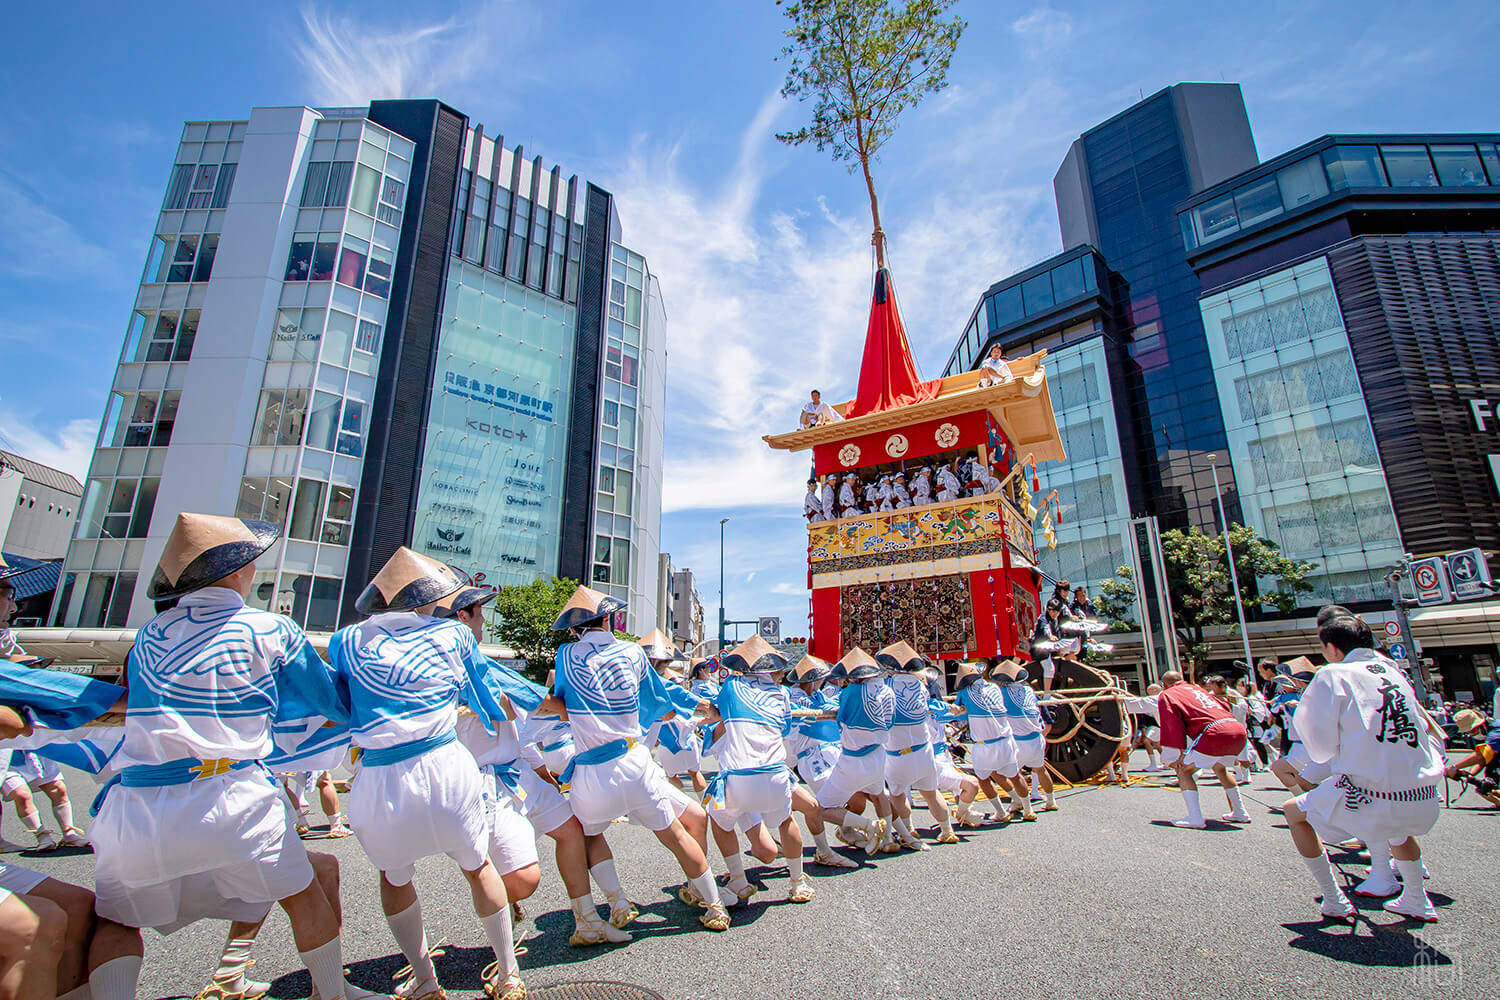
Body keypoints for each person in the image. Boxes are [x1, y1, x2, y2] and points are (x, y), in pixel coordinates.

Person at [89, 512, 376, 1000]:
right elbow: (328, 698)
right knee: (303, 892)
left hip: (137, 801)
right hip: (230, 792)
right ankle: (333, 992)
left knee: (118, 921)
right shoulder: (270, 628)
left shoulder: (150, 636)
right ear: (238, 571)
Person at [331, 546, 527, 1000]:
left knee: (395, 877)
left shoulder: (346, 640)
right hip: (445, 766)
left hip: (379, 776)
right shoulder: (453, 637)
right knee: (478, 866)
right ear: (426, 599)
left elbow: (337, 704)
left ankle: (423, 979)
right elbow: (483, 690)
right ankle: (507, 972)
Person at [442, 584, 636, 951]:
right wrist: (592, 711)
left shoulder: (483, 665)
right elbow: (544, 703)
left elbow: (536, 702)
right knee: (522, 881)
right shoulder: (444, 670)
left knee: (573, 830)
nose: (484, 618)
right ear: (461, 617)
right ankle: (493, 898)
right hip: (479, 785)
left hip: (517, 772)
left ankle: (588, 921)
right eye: (478, 612)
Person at [539, 585, 731, 932]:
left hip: (592, 770)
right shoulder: (631, 653)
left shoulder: (566, 655)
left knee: (589, 835)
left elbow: (564, 702)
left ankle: (618, 901)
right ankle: (715, 906)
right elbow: (659, 701)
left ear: (574, 629)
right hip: (634, 762)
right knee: (675, 833)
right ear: (609, 620)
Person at [1283, 616, 1445, 923]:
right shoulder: (1393, 671)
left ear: (1330, 648)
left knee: (1293, 812)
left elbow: (1320, 746)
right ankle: (1416, 898)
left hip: (1371, 795)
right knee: (1396, 829)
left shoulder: (1334, 673)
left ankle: (1334, 900)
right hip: (1424, 796)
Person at [698, 636, 815, 904]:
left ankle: (738, 879)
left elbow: (720, 713)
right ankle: (797, 882)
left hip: (739, 779)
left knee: (718, 821)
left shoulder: (731, 686)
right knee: (786, 821)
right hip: (775, 774)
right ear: (771, 669)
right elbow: (784, 729)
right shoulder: (782, 693)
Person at [812, 648, 893, 854]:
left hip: (853, 758)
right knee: (878, 795)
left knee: (820, 808)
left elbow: (842, 719)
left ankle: (868, 826)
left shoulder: (851, 691)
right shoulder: (887, 690)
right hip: (878, 752)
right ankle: (888, 837)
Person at [876, 642, 957, 847]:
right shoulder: (921, 685)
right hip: (923, 748)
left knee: (897, 794)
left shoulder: (885, 687)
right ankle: (947, 829)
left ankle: (908, 829)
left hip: (897, 751)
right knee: (931, 793)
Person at [1156, 669, 1252, 828]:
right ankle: (1240, 812)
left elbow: (1172, 724)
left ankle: (1195, 818)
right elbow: (1225, 706)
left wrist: (1178, 753)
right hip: (1236, 728)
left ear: (1164, 684)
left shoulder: (1168, 694)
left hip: (1214, 732)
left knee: (1184, 771)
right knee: (1220, 768)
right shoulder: (1198, 689)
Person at [951, 662, 1030, 821]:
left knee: (983, 779)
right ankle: (1028, 809)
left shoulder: (965, 693)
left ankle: (1000, 812)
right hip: (1006, 741)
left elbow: (955, 710)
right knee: (1014, 775)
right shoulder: (995, 688)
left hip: (985, 745)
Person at [994, 659, 1057, 816]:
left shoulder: (1001, 693)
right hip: (1036, 738)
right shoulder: (1029, 691)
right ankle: (1051, 801)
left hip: (1018, 741)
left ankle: (1023, 805)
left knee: (1005, 773)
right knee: (1040, 769)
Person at [2, 751, 87, 850]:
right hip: (6, 758)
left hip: (34, 751)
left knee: (58, 788)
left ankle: (69, 834)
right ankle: (43, 837)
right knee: (22, 795)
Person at [1444, 709, 1500, 808]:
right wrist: (1470, 775)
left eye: (1472, 730)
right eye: (1468, 731)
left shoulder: (1496, 732)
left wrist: (1453, 768)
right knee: (1486, 786)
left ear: (1480, 725)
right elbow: (1482, 761)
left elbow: (1479, 756)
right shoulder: (1480, 735)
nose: (1470, 734)